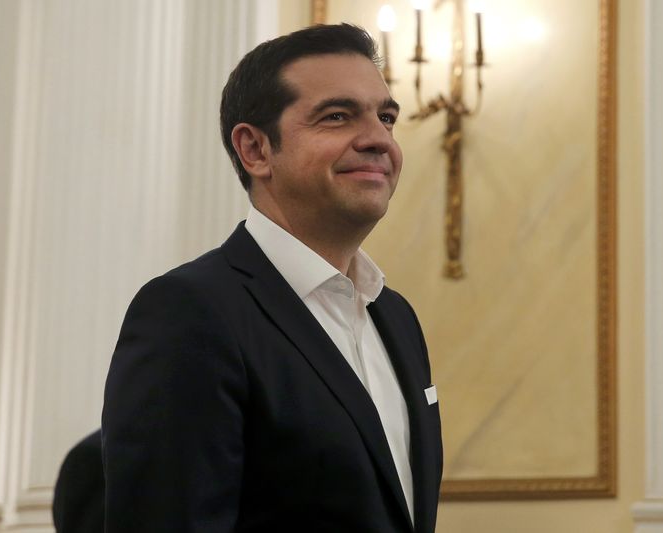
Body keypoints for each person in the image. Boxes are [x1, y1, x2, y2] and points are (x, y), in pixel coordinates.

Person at [102, 23, 442, 532]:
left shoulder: (395, 316)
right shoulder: (191, 311)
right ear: (256, 150)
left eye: (386, 117)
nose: (378, 139)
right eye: (337, 116)